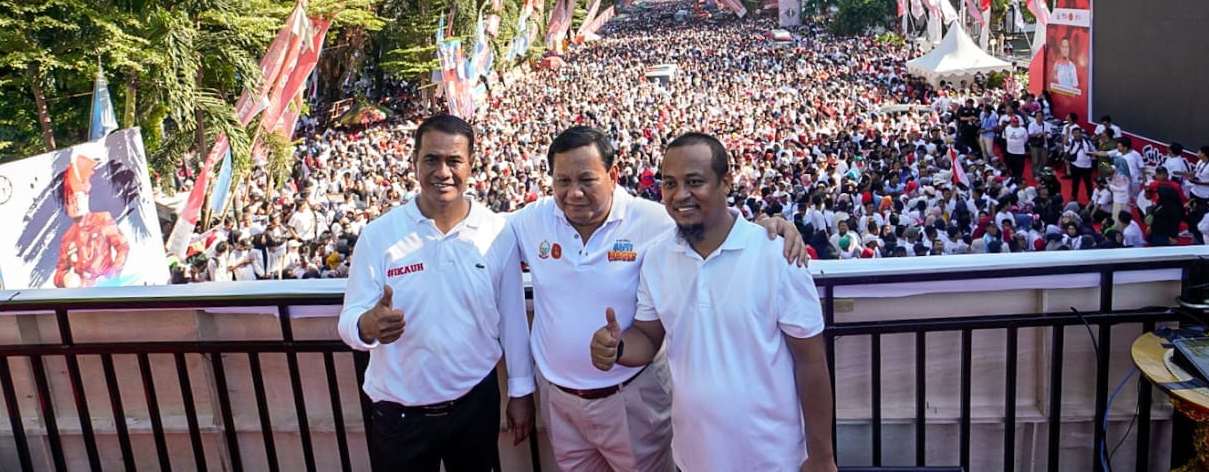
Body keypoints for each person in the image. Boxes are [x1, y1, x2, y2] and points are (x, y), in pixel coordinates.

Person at [508, 125, 806, 472]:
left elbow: (713, 225)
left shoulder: (655, 220)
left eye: (586, 180)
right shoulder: (531, 220)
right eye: (562, 181)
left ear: (613, 174)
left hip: (632, 398)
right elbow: (484, 238)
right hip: (559, 404)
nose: (573, 193)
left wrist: (770, 226)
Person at [589, 132, 837, 472]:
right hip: (691, 458)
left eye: (695, 182)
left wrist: (822, 457)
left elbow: (811, 362)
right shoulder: (658, 258)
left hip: (773, 459)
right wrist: (616, 348)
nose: (680, 195)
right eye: (670, 184)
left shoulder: (776, 254)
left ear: (726, 182)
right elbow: (647, 338)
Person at [337, 115, 534, 472]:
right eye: (431, 159)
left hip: (475, 405)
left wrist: (521, 392)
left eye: (454, 160)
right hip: (398, 415)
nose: (442, 171)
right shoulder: (379, 235)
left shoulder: (497, 232)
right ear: (415, 163)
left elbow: (513, 322)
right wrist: (367, 326)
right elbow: (349, 320)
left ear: (471, 165)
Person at [53, 154, 130, 288]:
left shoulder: (103, 219)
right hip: (83, 296)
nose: (75, 205)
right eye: (70, 202)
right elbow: (59, 272)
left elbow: (123, 246)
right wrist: (65, 278)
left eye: (77, 198)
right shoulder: (67, 237)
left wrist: (112, 274)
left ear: (86, 197)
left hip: (108, 289)